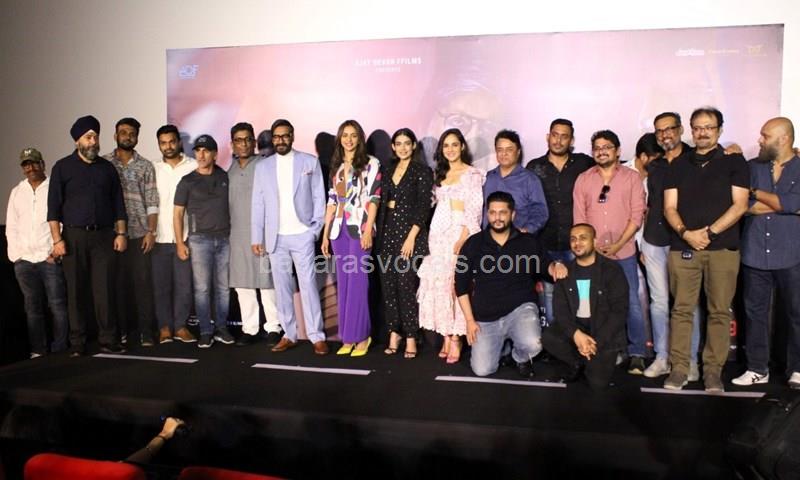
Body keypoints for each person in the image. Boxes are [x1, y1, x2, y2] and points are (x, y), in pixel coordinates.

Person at [663, 107, 749, 392]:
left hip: (723, 248)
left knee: (719, 312)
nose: (703, 132)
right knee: (681, 310)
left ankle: (713, 372)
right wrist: (686, 234)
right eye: (698, 127)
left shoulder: (735, 162)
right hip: (683, 247)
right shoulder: (677, 165)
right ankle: (679, 369)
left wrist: (709, 233)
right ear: (691, 130)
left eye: (709, 127)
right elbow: (669, 207)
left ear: (720, 130)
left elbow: (740, 205)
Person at [456, 191, 566, 378]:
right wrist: (469, 321)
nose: (497, 218)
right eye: (492, 212)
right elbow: (460, 284)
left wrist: (556, 265)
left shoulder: (528, 242)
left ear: (513, 214)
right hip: (486, 316)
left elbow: (546, 266)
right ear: (487, 214)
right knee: (482, 370)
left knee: (533, 343)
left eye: (503, 212)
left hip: (520, 309)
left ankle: (520, 357)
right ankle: (504, 347)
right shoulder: (473, 243)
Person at [48, 115, 127, 356]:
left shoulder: (107, 168)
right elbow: (53, 209)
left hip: (104, 236)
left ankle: (108, 339)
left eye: (95, 137)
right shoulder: (62, 168)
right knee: (75, 291)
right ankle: (78, 342)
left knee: (105, 290)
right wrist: (57, 240)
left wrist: (121, 233)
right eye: (88, 137)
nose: (93, 142)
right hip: (73, 237)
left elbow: (118, 204)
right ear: (77, 141)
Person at [251, 119, 329, 355]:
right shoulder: (263, 167)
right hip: (276, 237)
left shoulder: (309, 162)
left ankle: (316, 336)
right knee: (282, 289)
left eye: (285, 136)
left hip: (302, 235)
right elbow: (258, 203)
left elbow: (319, 197)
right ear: (272, 139)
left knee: (309, 287)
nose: (281, 140)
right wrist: (257, 236)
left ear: (292, 136)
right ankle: (289, 334)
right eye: (276, 136)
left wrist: (314, 230)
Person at [573, 130, 646, 374]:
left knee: (631, 303)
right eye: (597, 148)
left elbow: (636, 216)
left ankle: (637, 352)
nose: (601, 151)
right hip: (592, 255)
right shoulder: (584, 179)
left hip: (623, 252)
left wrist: (618, 244)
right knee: (596, 305)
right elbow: (580, 219)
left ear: (617, 151)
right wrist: (591, 247)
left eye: (607, 147)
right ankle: (606, 350)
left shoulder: (631, 178)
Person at [734, 117, 800, 390]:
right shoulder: (752, 167)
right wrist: (784, 206)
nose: (760, 140)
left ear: (784, 139)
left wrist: (756, 193)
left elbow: (795, 202)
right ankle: (757, 368)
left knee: (796, 313)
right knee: (755, 314)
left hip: (791, 253)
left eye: (765, 136)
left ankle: (797, 369)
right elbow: (742, 205)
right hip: (755, 251)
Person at [641, 113, 701, 379]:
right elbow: (650, 205)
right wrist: (642, 244)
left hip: (684, 240)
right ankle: (662, 357)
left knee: (687, 304)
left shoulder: (696, 159)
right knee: (659, 303)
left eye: (669, 129)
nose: (665, 134)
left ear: (681, 130)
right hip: (654, 240)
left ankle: (689, 361)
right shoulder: (654, 166)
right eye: (659, 131)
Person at [417, 128, 484, 364]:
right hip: (438, 235)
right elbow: (431, 204)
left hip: (459, 232)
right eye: (446, 145)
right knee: (440, 285)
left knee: (457, 284)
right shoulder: (440, 174)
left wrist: (463, 238)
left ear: (462, 146)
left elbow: (475, 209)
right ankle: (446, 334)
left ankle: (457, 337)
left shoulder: (472, 174)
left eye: (455, 144)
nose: (451, 149)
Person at [541, 223, 629, 389]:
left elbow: (619, 311)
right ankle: (577, 361)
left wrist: (596, 343)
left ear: (594, 241)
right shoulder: (565, 271)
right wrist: (576, 335)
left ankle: (589, 356)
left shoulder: (612, 270)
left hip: (602, 331)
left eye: (583, 238)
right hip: (578, 328)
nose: (577, 243)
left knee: (597, 383)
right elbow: (560, 311)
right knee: (549, 337)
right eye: (573, 239)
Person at [526, 119, 595, 326]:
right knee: (550, 296)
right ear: (548, 137)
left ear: (571, 140)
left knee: (582, 294)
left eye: (564, 136)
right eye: (555, 135)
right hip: (545, 242)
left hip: (576, 243)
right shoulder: (534, 167)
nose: (558, 140)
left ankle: (583, 338)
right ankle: (556, 340)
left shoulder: (584, 164)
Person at [321, 120, 381, 356]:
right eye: (345, 135)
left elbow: (374, 198)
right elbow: (332, 201)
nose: (349, 139)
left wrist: (367, 230)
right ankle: (347, 337)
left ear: (360, 138)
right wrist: (325, 235)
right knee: (345, 283)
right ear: (340, 139)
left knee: (358, 282)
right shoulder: (336, 167)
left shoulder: (371, 163)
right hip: (338, 230)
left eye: (353, 135)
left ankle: (362, 336)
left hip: (359, 227)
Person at [375, 128, 433, 359]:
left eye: (407, 143)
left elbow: (423, 206)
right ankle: (394, 333)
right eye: (398, 143)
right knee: (388, 288)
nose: (403, 148)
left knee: (406, 287)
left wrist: (411, 237)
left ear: (414, 145)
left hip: (409, 235)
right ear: (393, 146)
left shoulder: (422, 171)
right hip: (387, 233)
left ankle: (411, 336)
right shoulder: (387, 170)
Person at [173, 134, 234, 348]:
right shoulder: (187, 181)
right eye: (198, 151)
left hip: (224, 239)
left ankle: (221, 328)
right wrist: (180, 243)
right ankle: (206, 331)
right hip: (199, 241)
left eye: (206, 151)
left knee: (223, 288)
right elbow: (177, 214)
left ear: (215, 154)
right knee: (202, 289)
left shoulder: (225, 177)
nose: (201, 155)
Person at [6, 148, 68, 358]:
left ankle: (60, 349)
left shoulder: (54, 188)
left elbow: (62, 220)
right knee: (32, 308)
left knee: (57, 305)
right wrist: (17, 256)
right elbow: (12, 226)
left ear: (42, 164)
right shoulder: (17, 192)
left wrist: (55, 250)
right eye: (26, 165)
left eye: (33, 163)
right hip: (24, 261)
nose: (30, 168)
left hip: (48, 257)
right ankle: (37, 351)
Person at [103, 117, 159, 347]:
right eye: (123, 132)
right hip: (111, 235)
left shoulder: (145, 165)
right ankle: (122, 332)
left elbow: (152, 202)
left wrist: (151, 231)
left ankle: (146, 332)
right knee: (116, 286)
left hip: (139, 234)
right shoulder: (104, 164)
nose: (127, 136)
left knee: (143, 285)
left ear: (137, 138)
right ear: (115, 135)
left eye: (132, 133)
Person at [227, 122, 282, 347]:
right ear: (232, 144)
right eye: (239, 140)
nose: (244, 144)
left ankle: (274, 327)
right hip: (236, 235)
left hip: (263, 234)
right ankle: (249, 328)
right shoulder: (229, 170)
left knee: (267, 282)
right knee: (243, 285)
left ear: (254, 142)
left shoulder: (265, 165)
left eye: (248, 139)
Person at [152, 125, 197, 344]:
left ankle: (180, 327)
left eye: (171, 141)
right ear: (159, 145)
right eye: (163, 143)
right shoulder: (153, 169)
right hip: (159, 238)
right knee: (161, 287)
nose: (168, 146)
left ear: (179, 142)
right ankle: (164, 328)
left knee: (184, 286)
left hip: (185, 237)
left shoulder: (193, 166)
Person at [482, 129, 548, 234]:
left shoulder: (530, 180)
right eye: (500, 149)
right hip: (488, 239)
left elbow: (540, 212)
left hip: (518, 239)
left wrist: (526, 231)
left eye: (509, 149)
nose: (504, 154)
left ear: (518, 152)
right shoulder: (486, 178)